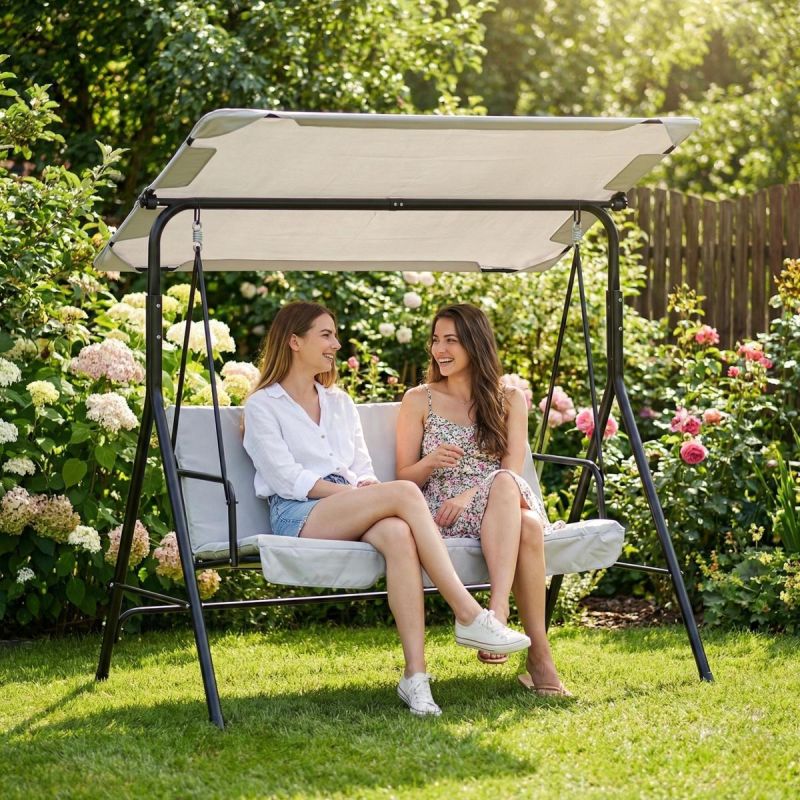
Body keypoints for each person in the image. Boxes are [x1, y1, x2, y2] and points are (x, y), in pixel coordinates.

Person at [242, 301, 531, 717]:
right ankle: (468, 613)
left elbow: (361, 468)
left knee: (398, 533)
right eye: (326, 335)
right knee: (405, 494)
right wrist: (362, 496)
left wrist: (367, 492)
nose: (336, 344)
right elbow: (289, 480)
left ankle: (415, 678)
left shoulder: (339, 402)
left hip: (350, 503)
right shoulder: (263, 405)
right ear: (294, 341)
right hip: (299, 511)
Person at [395, 303, 570, 697]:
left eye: (451, 340)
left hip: (497, 502)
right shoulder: (419, 399)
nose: (440, 349)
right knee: (526, 524)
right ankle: (532, 652)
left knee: (514, 500)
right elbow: (403, 477)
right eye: (436, 340)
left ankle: (498, 616)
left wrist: (471, 493)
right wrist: (429, 462)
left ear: (475, 344)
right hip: (444, 513)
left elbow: (512, 470)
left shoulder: (510, 398)